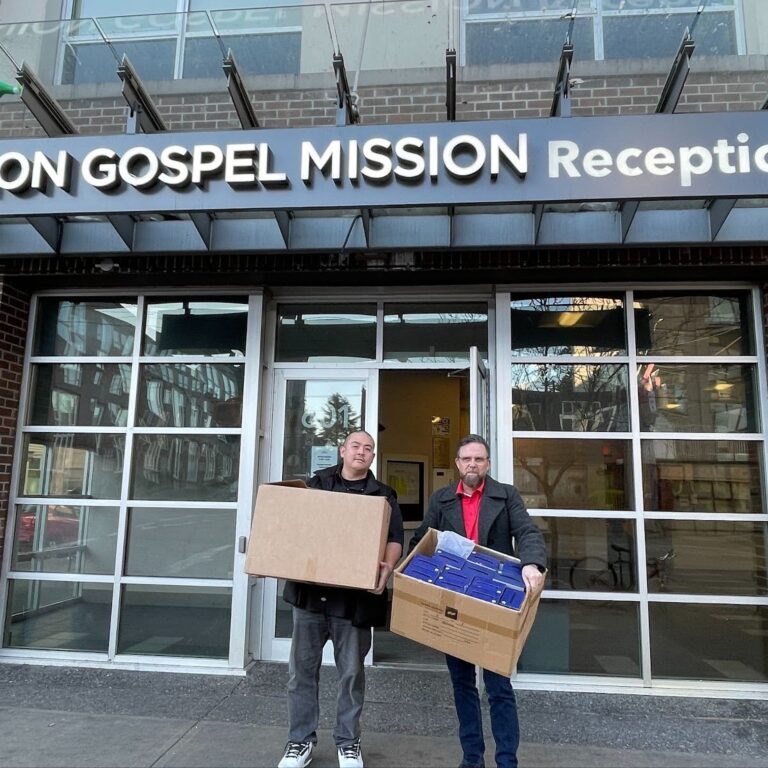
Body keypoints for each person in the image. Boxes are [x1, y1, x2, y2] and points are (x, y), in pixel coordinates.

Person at [408, 434, 546, 768]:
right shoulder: (442, 500)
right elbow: (422, 539)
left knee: (499, 688)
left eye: (479, 459)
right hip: (454, 603)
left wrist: (531, 562)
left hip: (495, 602)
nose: (473, 464)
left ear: (488, 463)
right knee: (463, 687)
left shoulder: (506, 495)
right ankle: (472, 760)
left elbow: (527, 531)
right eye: (467, 459)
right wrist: (406, 570)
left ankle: (506, 762)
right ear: (457, 464)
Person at [278, 430, 404, 768]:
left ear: (373, 457)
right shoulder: (316, 486)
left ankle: (348, 742)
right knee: (301, 673)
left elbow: (395, 540)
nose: (361, 452)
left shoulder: (384, 496)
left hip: (355, 602)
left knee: (351, 674)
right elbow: (292, 528)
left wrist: (386, 570)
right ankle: (299, 742)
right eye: (356, 446)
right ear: (342, 451)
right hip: (310, 598)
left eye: (368, 449)